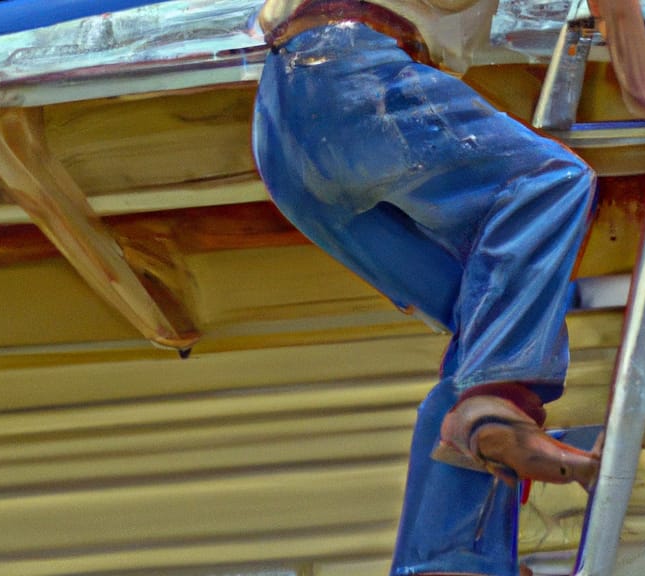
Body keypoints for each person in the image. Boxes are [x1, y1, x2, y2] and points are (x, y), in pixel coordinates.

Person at [251, 1, 601, 574]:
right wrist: (643, 80)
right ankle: (493, 408)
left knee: (486, 324)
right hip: (355, 78)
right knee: (551, 183)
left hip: (283, 128)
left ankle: (447, 561)